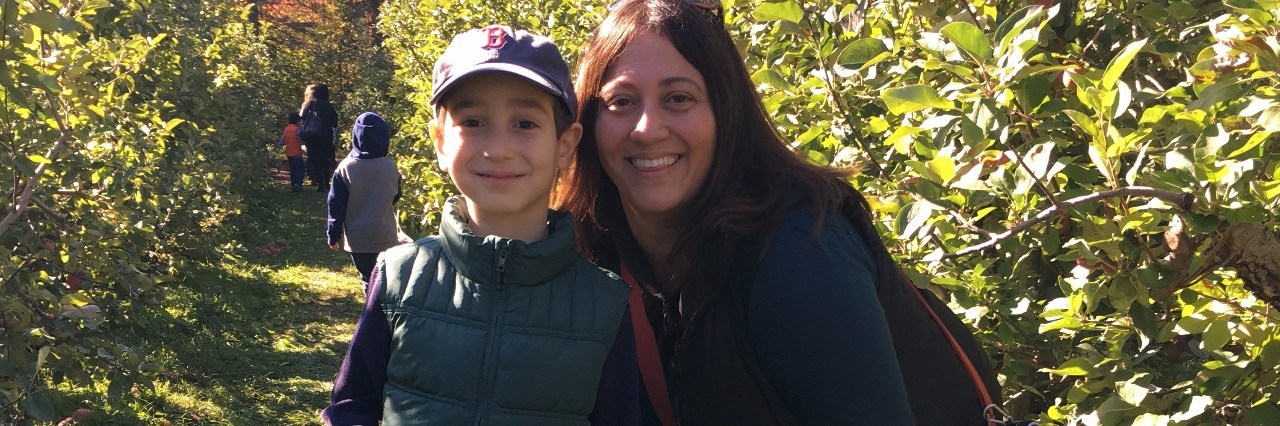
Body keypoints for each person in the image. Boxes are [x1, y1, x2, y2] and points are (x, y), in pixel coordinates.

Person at [556, 0, 1001, 425]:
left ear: (726, 111)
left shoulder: (799, 254)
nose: (647, 129)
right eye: (621, 102)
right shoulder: (592, 258)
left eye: (678, 98)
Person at [322, 25, 637, 425]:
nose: (498, 149)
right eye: (472, 122)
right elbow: (352, 408)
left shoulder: (602, 305)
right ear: (439, 142)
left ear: (565, 145)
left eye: (525, 123)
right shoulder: (399, 279)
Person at [326, 111, 411, 291]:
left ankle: (372, 312)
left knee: (368, 278)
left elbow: (336, 205)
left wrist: (333, 235)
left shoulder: (345, 169)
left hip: (359, 240)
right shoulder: (390, 167)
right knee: (386, 278)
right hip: (386, 236)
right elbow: (396, 196)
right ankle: (387, 313)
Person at [299, 83, 339, 192]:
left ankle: (319, 183)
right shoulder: (329, 106)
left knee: (315, 159)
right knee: (325, 159)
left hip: (312, 136)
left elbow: (302, 118)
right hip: (326, 135)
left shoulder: (309, 104)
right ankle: (327, 183)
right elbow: (334, 123)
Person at [278, 112, 306, 192]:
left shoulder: (286, 129)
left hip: (289, 153)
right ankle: (298, 185)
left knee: (293, 170)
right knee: (300, 170)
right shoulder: (298, 130)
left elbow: (281, 142)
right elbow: (302, 140)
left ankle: (293, 185)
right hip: (297, 153)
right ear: (297, 121)